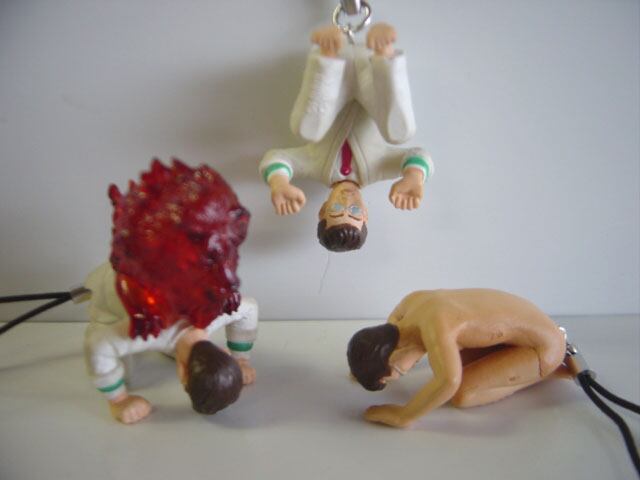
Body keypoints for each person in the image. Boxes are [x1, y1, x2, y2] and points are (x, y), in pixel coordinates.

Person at [259, 23, 434, 252]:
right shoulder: (378, 168)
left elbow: (278, 159)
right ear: (365, 213)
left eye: (336, 210)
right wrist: (414, 177)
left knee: (305, 130)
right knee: (401, 133)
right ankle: (386, 54)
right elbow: (417, 155)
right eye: (354, 211)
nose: (347, 202)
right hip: (371, 76)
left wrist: (279, 183)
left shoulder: (315, 167)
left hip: (334, 80)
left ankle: (327, 53)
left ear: (323, 209)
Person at [347, 289, 567, 428]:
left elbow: (448, 381)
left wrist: (404, 415)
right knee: (456, 361)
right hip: (516, 334)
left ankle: (552, 370)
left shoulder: (436, 327)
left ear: (397, 351)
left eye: (397, 372)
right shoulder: (409, 305)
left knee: (463, 394)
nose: (400, 373)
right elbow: (388, 338)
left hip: (544, 347)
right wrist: (366, 367)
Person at [84, 263, 258, 424]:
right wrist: (119, 400)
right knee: (125, 376)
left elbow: (249, 307)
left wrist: (240, 360)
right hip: (107, 293)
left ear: (224, 352)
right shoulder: (152, 332)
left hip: (147, 276)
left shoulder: (217, 311)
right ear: (182, 374)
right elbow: (97, 345)